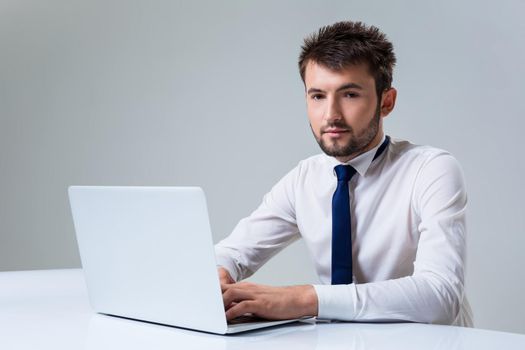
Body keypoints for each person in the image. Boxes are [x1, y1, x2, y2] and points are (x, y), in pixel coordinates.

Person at [214, 21, 473, 326]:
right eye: (318, 96)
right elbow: (232, 252)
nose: (331, 115)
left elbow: (439, 297)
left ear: (386, 102)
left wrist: (304, 299)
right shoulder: (305, 179)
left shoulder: (431, 170)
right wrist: (218, 274)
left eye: (349, 94)